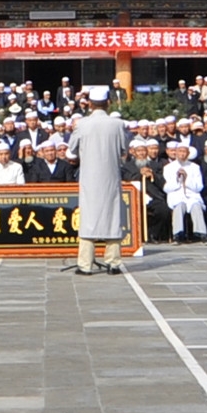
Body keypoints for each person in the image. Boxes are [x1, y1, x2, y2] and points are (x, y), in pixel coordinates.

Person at [70, 85, 129, 274]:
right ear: (108, 103)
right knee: (112, 216)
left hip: (89, 178)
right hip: (111, 176)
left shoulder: (82, 124)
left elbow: (71, 149)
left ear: (90, 104)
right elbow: (124, 149)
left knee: (89, 217)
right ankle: (113, 262)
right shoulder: (118, 124)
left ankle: (85, 264)